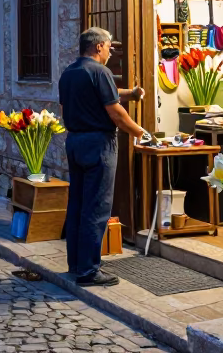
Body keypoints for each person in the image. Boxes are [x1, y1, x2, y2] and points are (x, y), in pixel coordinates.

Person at [58, 27, 149, 286]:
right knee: (96, 207)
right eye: (109, 47)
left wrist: (131, 93)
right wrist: (140, 132)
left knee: (77, 205)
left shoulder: (69, 73)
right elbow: (116, 113)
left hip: (75, 142)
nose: (110, 52)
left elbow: (88, 99)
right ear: (98, 46)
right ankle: (89, 271)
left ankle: (77, 264)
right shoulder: (101, 71)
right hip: (99, 144)